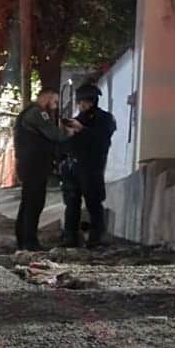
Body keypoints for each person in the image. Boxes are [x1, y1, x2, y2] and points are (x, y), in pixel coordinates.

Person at [13, 88, 79, 251]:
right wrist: (70, 133)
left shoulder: (29, 112)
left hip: (29, 164)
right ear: (47, 97)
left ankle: (24, 239)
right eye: (55, 102)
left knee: (28, 202)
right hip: (34, 164)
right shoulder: (38, 113)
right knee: (34, 202)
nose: (55, 107)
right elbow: (54, 135)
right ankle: (29, 241)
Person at [60, 82, 117, 248]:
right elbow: (67, 145)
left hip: (92, 168)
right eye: (80, 102)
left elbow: (101, 141)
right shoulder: (77, 120)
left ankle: (96, 237)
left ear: (93, 101)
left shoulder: (104, 119)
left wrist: (82, 131)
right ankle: (70, 236)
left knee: (93, 203)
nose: (82, 105)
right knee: (72, 203)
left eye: (85, 102)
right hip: (73, 167)